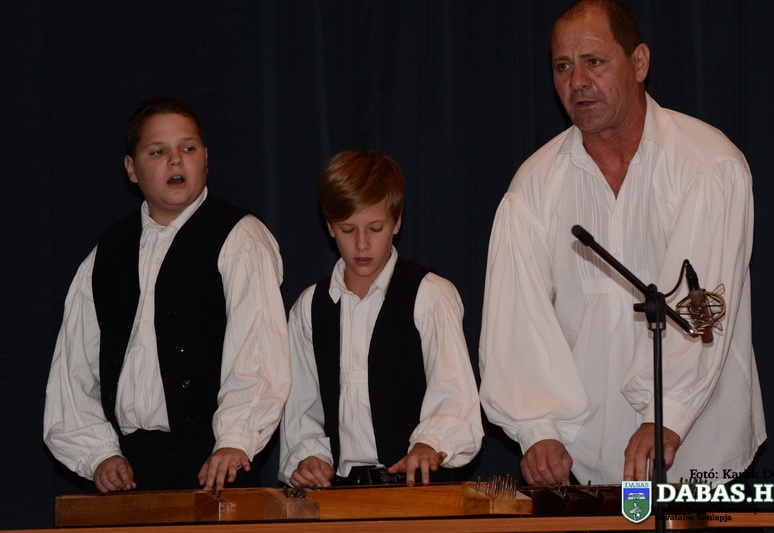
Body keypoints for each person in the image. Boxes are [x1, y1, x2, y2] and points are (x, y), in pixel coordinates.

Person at [479, 0, 765, 486]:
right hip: (580, 463)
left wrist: (666, 412)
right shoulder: (532, 187)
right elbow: (516, 322)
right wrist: (536, 430)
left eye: (594, 61)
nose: (577, 81)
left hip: (698, 451)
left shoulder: (708, 164)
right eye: (563, 67)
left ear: (639, 62)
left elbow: (702, 308)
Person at [44, 96, 291, 493]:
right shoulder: (107, 251)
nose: (176, 161)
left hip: (215, 461)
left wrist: (235, 439)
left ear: (205, 158)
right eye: (158, 152)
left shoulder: (240, 238)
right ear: (132, 169)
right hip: (128, 468)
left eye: (188, 149)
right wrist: (99, 453)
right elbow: (75, 367)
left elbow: (258, 348)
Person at [279, 149, 483, 488]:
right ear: (329, 227)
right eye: (347, 229)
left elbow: (455, 396)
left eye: (376, 228)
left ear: (397, 221)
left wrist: (430, 443)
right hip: (340, 492)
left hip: (419, 491)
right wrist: (310, 456)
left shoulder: (430, 295)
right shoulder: (309, 307)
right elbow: (303, 407)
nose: (362, 245)